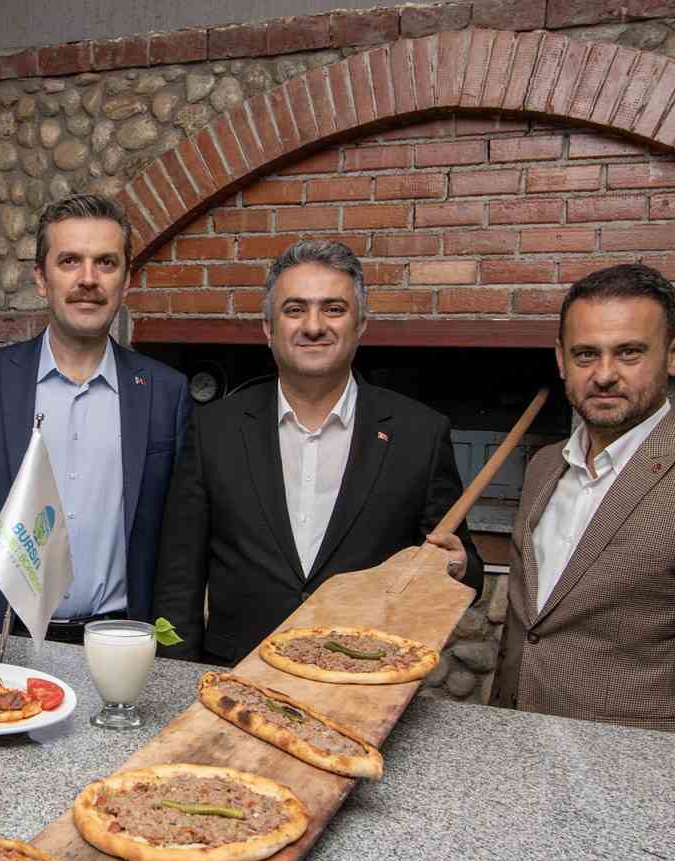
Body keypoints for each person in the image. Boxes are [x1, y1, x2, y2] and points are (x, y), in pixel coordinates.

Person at [490, 264, 675, 743]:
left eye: (629, 352)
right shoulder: (544, 466)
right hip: (516, 743)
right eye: (586, 354)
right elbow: (531, 630)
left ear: (674, 354)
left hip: (631, 768)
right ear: (562, 360)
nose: (604, 375)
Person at [153, 239, 483, 666]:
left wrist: (459, 568)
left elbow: (465, 567)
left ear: (360, 324)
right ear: (268, 328)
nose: (313, 326)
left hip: (362, 678)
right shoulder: (215, 429)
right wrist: (176, 676)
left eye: (333, 309)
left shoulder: (420, 433)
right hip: (237, 674)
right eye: (295, 309)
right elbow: (179, 577)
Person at [0, 194, 191, 643]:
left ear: (126, 281)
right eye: (70, 261)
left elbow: (181, 546)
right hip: (3, 638)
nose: (88, 280)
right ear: (41, 278)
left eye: (106, 263)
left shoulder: (166, 393)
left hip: (120, 642)